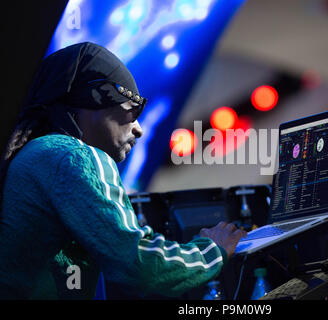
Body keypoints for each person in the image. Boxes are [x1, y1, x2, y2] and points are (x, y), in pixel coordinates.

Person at [0, 42, 246, 299]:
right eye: (134, 108)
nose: (139, 129)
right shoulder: (74, 156)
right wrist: (212, 250)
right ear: (94, 98)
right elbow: (140, 266)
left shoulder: (35, 153)